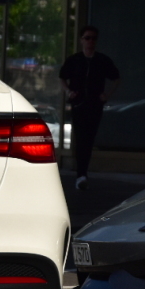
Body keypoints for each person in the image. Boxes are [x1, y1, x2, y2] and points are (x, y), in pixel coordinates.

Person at [59, 26, 120, 190]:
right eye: (87, 38)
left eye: (93, 38)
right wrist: (68, 92)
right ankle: (81, 174)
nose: (90, 41)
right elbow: (62, 77)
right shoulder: (74, 60)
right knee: (80, 138)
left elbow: (116, 78)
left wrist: (106, 95)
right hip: (79, 104)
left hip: (94, 104)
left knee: (89, 138)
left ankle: (83, 173)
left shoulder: (102, 60)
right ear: (81, 40)